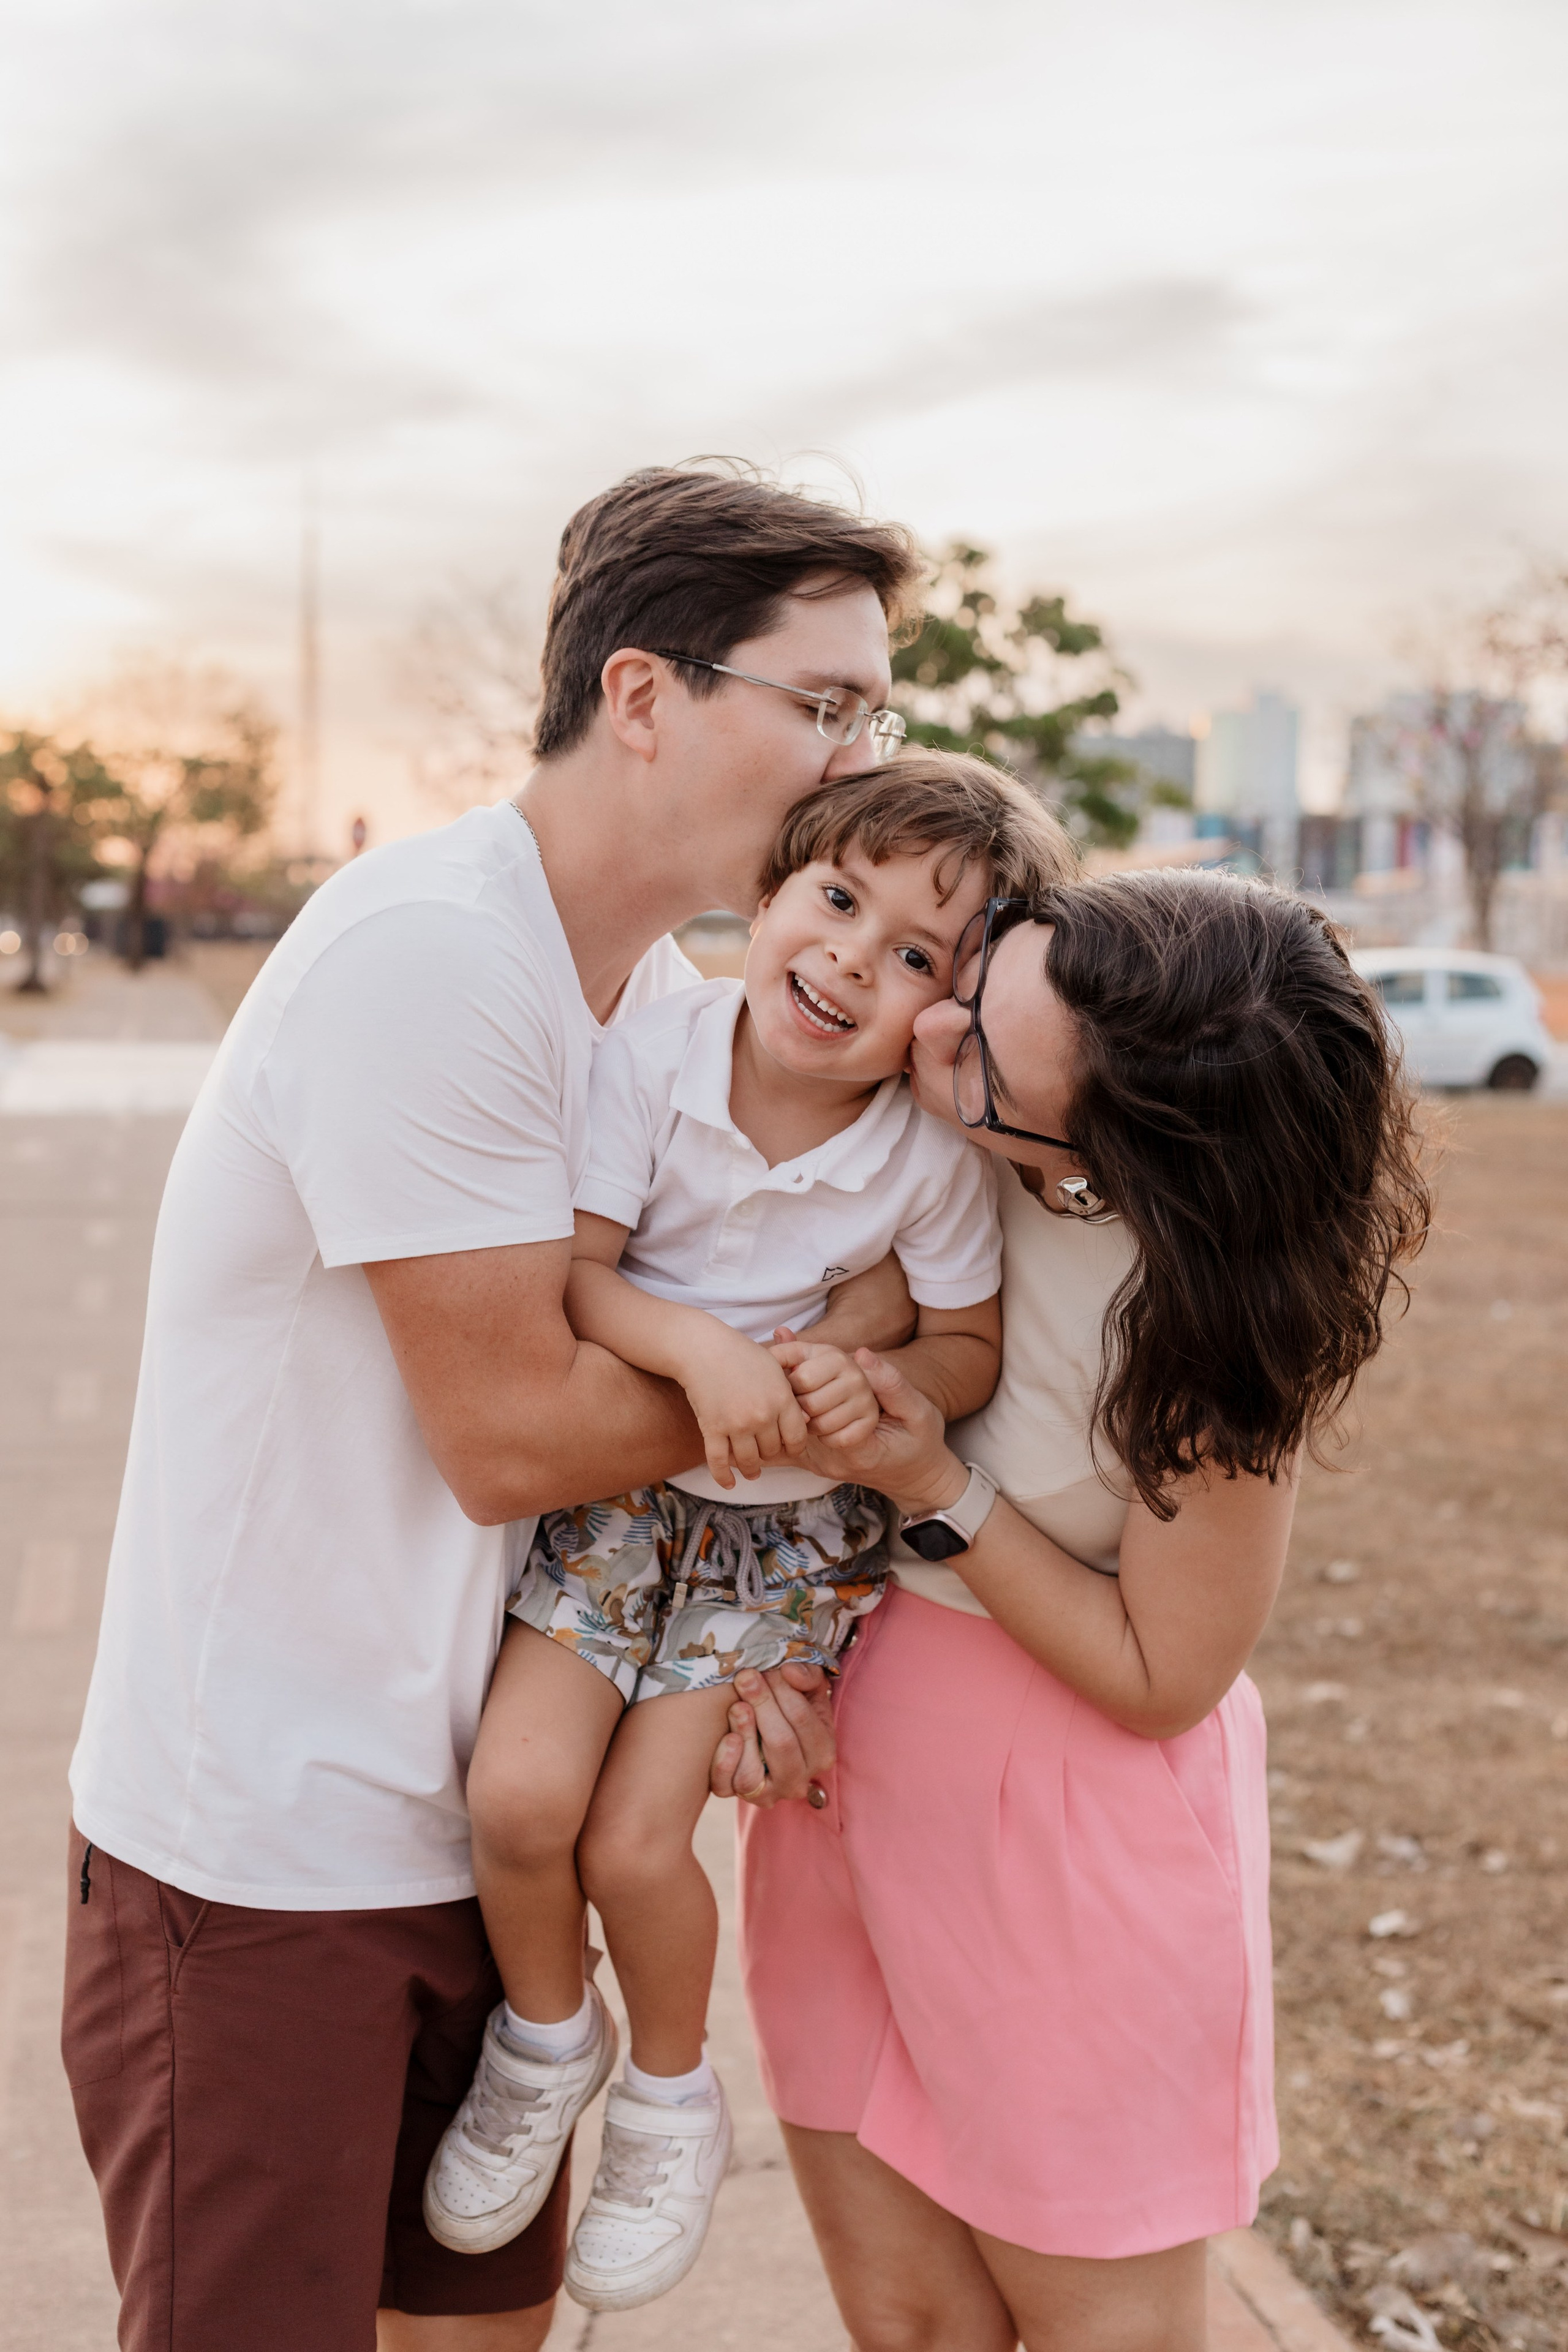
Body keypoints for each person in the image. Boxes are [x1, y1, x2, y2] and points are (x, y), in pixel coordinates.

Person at [62, 462, 921, 2352]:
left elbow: (674, 1408)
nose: (865, 749)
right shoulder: (434, 958)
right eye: (830, 701)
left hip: (480, 1823)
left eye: (883, 708)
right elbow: (517, 1441)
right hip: (267, 1850)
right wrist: (828, 1413)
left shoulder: (661, 1003)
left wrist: (752, 1638)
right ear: (643, 698)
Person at [720, 871, 1431, 2352]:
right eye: (981, 976)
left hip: (1067, 1848)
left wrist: (931, 1481)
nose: (929, 1034)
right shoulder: (898, 1123)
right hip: (836, 1785)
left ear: (1110, 1150)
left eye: (978, 1054)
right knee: (910, 2330)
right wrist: (749, 1654)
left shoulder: (1214, 1312)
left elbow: (1162, 1671)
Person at [421, 756, 1071, 2313]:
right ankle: (546, 2040)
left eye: (915, 952)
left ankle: (665, 2097)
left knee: (639, 1838)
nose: (851, 956)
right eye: (836, 900)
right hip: (619, 1509)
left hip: (774, 1550)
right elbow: (574, 1278)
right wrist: (702, 1352)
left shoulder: (919, 1153)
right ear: (768, 893)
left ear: (947, 1009)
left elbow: (965, 1353)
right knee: (516, 1801)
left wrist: (880, 1378)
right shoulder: (653, 1054)